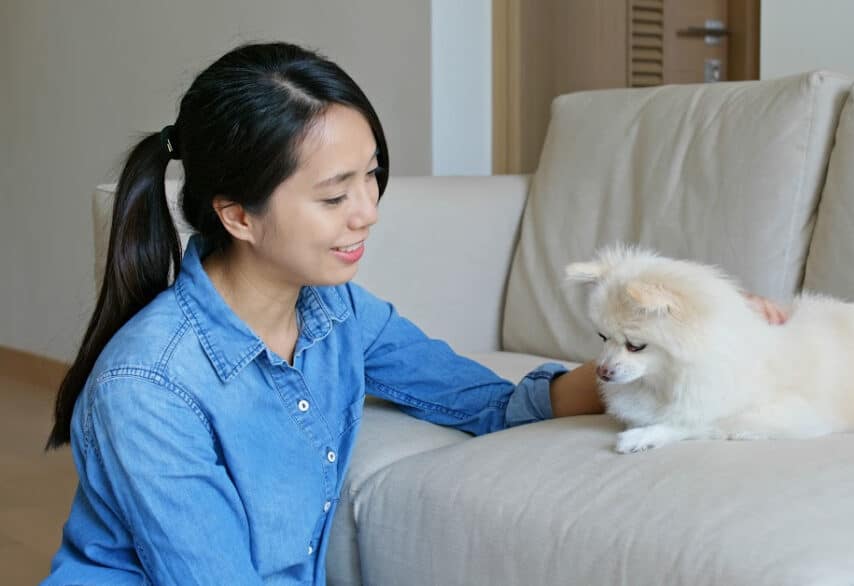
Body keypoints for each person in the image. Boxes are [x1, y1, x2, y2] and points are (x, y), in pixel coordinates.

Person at [43, 42, 786, 584]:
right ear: (238, 216)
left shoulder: (338, 315)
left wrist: (684, 346)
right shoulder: (149, 386)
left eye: (371, 177)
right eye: (334, 195)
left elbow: (494, 404)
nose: (366, 212)